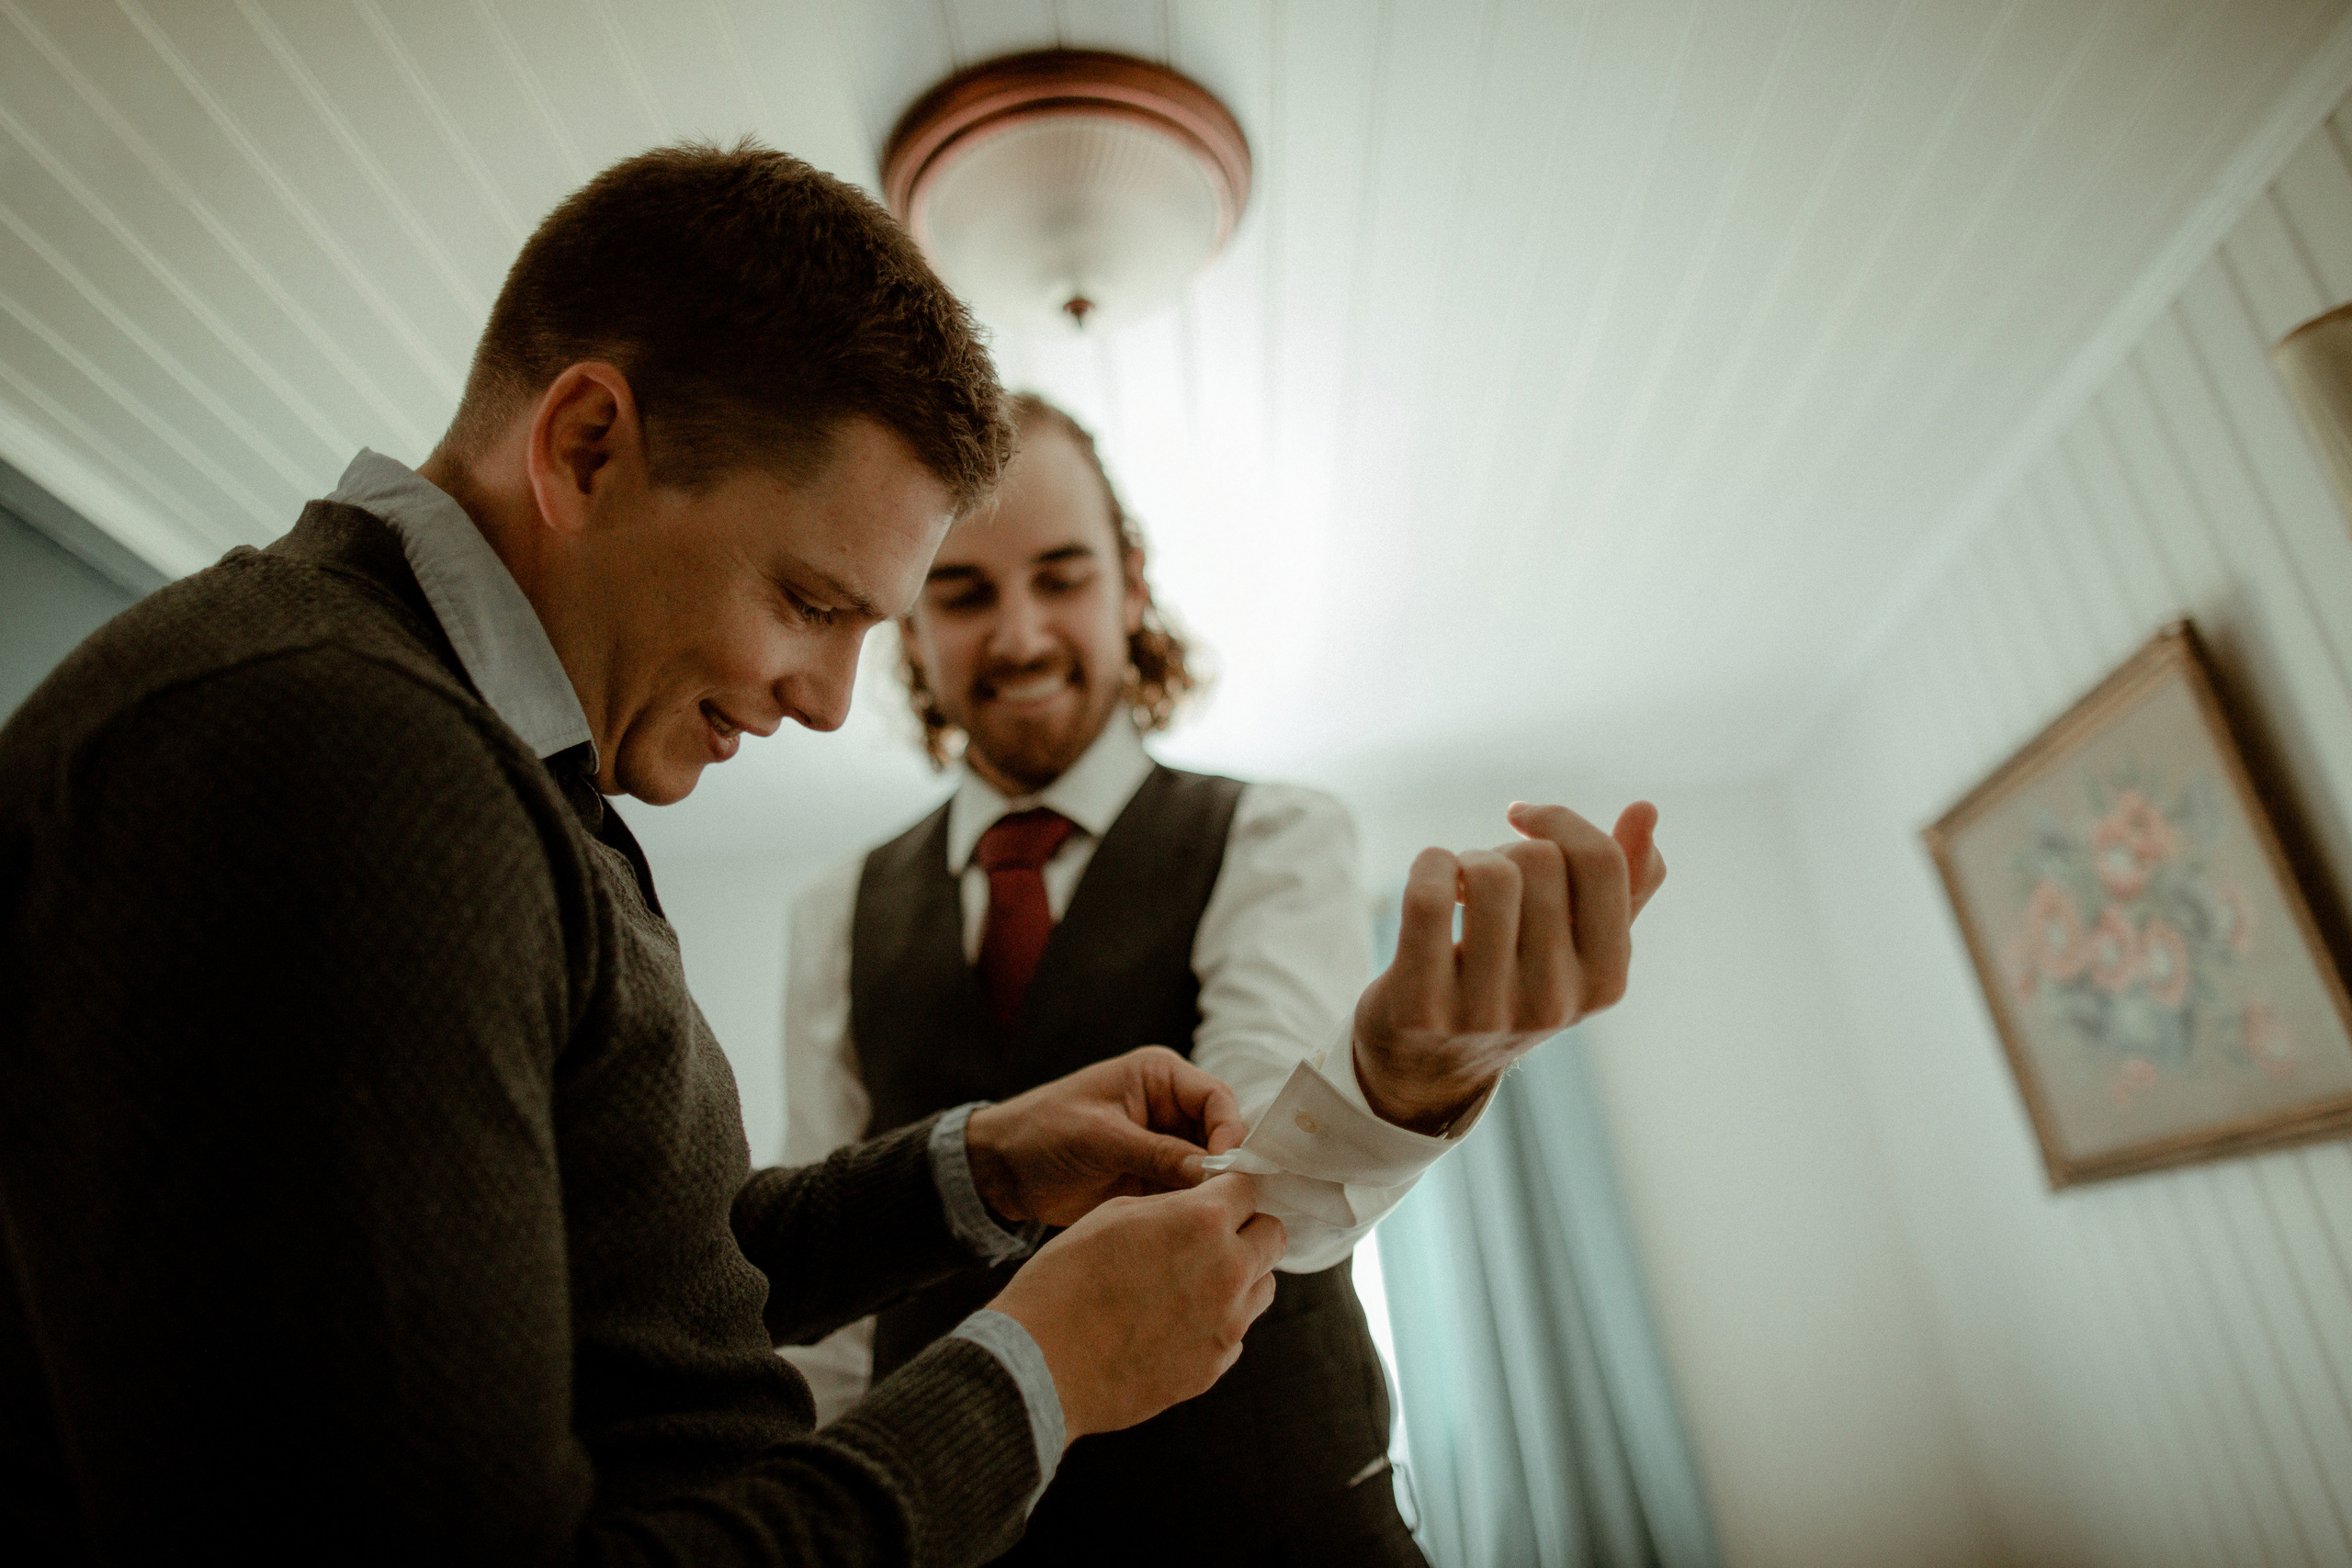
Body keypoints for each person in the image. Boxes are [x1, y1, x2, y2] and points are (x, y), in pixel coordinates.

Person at [0, 144, 1297, 1565]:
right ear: (587, 446)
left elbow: (625, 1272)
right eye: (809, 600)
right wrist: (1038, 1372)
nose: (830, 698)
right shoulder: (337, 757)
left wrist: (977, 1166)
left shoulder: (478, 760)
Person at [781, 394, 1667, 1565]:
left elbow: (1254, 1143)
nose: (1022, 634)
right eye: (963, 592)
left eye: (1061, 577)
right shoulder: (831, 913)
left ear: (1129, 583)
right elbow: (836, 1289)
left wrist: (1396, 1082)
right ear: (909, 624)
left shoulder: (1274, 835)